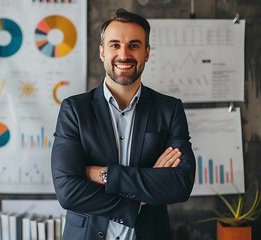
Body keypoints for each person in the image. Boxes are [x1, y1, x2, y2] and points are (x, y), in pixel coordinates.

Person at [51, 8, 196, 240]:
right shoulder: (74, 110)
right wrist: (140, 196)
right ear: (102, 52)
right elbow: (68, 192)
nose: (124, 54)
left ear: (147, 53)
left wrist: (106, 175)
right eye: (115, 45)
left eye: (134, 45)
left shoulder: (169, 109)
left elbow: (181, 184)